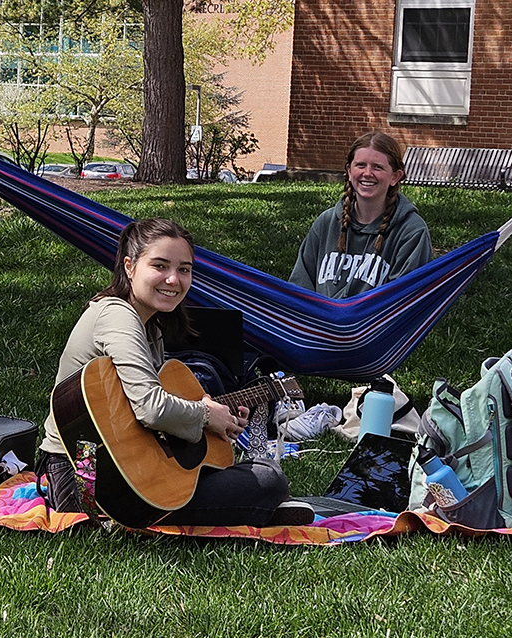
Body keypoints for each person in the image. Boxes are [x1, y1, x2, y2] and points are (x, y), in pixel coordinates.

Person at [37, 217, 313, 527]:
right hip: (82, 479)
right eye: (160, 266)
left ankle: (244, 507)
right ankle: (253, 508)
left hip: (115, 469)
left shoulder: (149, 325)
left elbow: (137, 411)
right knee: (267, 478)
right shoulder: (116, 316)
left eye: (184, 269)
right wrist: (206, 415)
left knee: (253, 473)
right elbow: (151, 408)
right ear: (129, 267)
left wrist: (215, 417)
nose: (173, 279)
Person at [289, 131, 432, 299]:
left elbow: (405, 303)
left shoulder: (411, 232)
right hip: (319, 323)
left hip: (377, 325)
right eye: (361, 165)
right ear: (349, 171)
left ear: (395, 176)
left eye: (377, 167)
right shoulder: (326, 223)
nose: (367, 173)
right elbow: (299, 290)